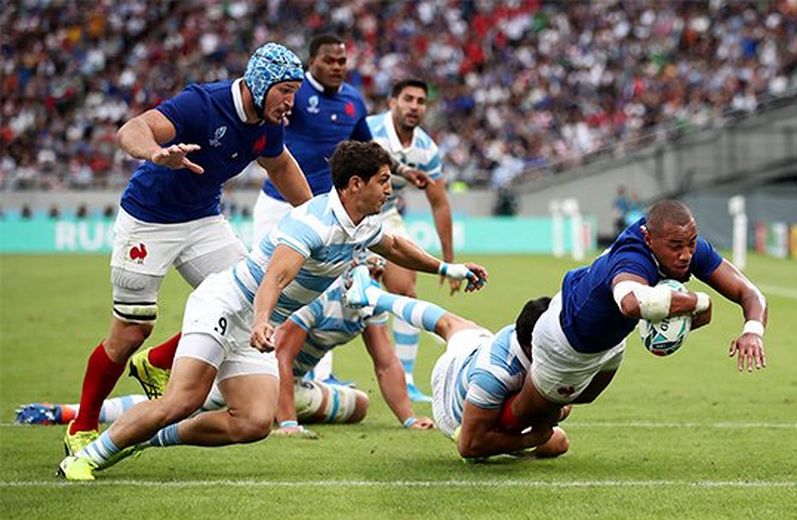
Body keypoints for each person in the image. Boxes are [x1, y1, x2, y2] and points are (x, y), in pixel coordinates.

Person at [57, 140, 487, 481]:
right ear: (355, 184)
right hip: (227, 304)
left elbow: (394, 247)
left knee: (253, 422)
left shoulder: (364, 223)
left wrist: (447, 267)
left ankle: (145, 438)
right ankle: (86, 458)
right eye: (382, 180)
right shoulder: (313, 222)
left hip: (255, 323)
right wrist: (263, 322)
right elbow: (273, 280)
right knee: (183, 399)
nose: (389, 188)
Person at [62, 42, 313, 456]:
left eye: (295, 91)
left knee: (248, 299)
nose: (291, 101)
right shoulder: (202, 104)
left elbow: (281, 164)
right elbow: (132, 130)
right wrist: (156, 154)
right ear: (260, 82)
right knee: (130, 332)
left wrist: (313, 218)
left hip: (202, 221)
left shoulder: (270, 121)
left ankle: (157, 361)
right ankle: (83, 427)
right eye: (285, 89)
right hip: (148, 219)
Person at [18, 258, 435, 436]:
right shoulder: (320, 297)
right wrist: (288, 423)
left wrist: (407, 421)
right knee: (187, 400)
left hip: (293, 383)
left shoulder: (368, 305)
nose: (381, 269)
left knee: (358, 405)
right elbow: (283, 356)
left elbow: (385, 365)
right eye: (375, 262)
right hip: (260, 369)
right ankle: (68, 412)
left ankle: (274, 410)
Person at [251, 35, 429, 386]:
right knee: (270, 283)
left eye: (342, 61)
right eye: (330, 61)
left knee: (324, 290)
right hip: (278, 204)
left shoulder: (352, 100)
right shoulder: (294, 94)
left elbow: (370, 147)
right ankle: (260, 369)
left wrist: (403, 171)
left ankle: (317, 375)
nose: (337, 67)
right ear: (311, 62)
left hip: (327, 211)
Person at [503, 200, 768, 434]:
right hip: (566, 341)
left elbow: (751, 293)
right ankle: (481, 428)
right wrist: (700, 301)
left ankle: (535, 399)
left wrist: (753, 331)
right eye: (676, 246)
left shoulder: (682, 243)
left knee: (584, 398)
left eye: (692, 243)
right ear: (648, 238)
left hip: (610, 336)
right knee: (528, 418)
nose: (686, 254)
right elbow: (631, 303)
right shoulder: (632, 257)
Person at [344, 265, 568, 460]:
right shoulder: (493, 374)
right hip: (451, 403)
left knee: (451, 323)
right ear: (533, 344)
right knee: (554, 438)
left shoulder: (530, 331)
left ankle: (371, 294)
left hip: (479, 358)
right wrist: (529, 440)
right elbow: (468, 445)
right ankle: (371, 295)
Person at [366, 79, 455, 402]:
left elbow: (440, 202)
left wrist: (449, 261)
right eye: (408, 99)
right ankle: (320, 375)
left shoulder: (427, 150)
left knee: (405, 289)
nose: (414, 106)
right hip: (346, 211)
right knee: (327, 293)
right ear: (392, 102)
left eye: (421, 100)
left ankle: (405, 380)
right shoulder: (367, 129)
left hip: (385, 216)